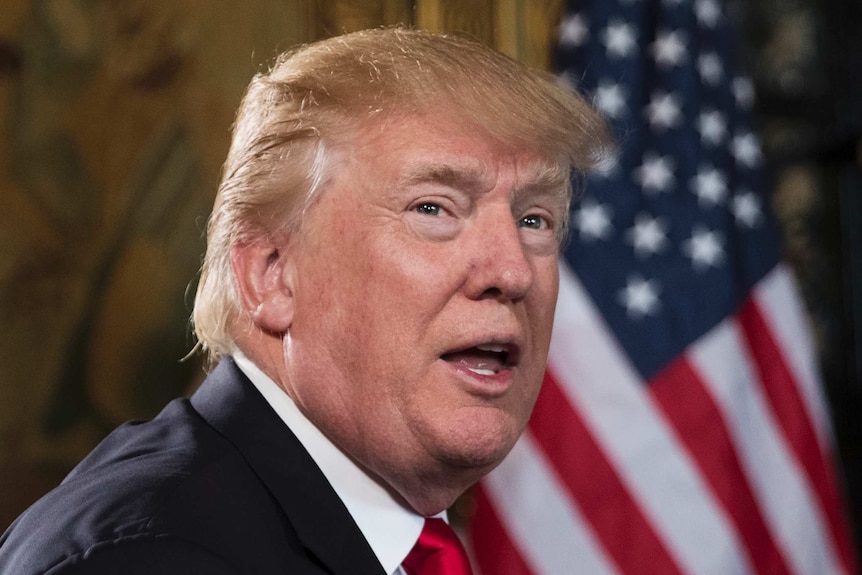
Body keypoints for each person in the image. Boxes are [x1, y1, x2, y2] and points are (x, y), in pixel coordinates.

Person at [0, 27, 609, 574]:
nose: (512, 270)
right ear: (272, 276)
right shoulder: (150, 557)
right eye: (433, 209)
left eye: (536, 220)